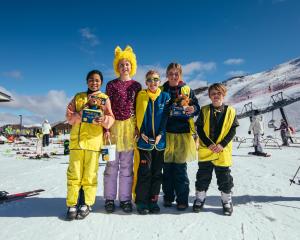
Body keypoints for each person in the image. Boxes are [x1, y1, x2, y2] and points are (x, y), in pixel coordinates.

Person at [65, 70, 114, 220]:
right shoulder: (78, 97)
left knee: (90, 175)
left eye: (97, 80)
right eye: (91, 80)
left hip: (93, 142)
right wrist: (79, 115)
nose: (94, 82)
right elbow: (68, 117)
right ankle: (72, 204)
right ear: (87, 81)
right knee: (74, 175)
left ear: (101, 82)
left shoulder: (104, 99)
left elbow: (111, 117)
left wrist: (104, 119)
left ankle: (87, 203)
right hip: (77, 143)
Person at [104, 45, 142, 213]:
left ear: (132, 65)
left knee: (127, 166)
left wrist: (137, 128)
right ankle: (110, 199)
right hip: (112, 127)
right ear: (117, 67)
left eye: (127, 64)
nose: (124, 67)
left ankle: (125, 199)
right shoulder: (111, 85)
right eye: (121, 64)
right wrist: (105, 128)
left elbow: (139, 108)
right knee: (111, 164)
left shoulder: (137, 85)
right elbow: (106, 108)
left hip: (129, 128)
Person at [194, 83, 239, 216]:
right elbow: (200, 129)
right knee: (203, 176)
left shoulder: (231, 111)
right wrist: (208, 144)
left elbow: (232, 130)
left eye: (218, 93)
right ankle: (200, 198)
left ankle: (226, 201)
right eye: (213, 94)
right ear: (209, 96)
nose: (216, 96)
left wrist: (222, 144)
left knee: (224, 177)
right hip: (206, 150)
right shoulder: (204, 110)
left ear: (223, 95)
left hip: (222, 151)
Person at [161, 62, 200, 211]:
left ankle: (182, 199)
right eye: (171, 73)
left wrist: (193, 108)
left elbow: (196, 107)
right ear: (167, 75)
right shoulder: (162, 89)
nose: (173, 76)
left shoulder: (187, 90)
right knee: (167, 168)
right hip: (167, 134)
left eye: (176, 73)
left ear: (181, 75)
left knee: (180, 169)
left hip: (183, 133)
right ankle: (168, 197)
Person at [134, 70, 170, 214]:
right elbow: (138, 115)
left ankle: (153, 201)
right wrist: (141, 133)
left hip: (159, 143)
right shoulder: (141, 96)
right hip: (145, 142)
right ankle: (141, 202)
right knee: (145, 172)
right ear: (146, 82)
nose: (153, 82)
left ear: (160, 82)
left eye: (155, 79)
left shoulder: (165, 97)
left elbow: (165, 119)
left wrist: (161, 134)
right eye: (149, 79)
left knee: (157, 173)